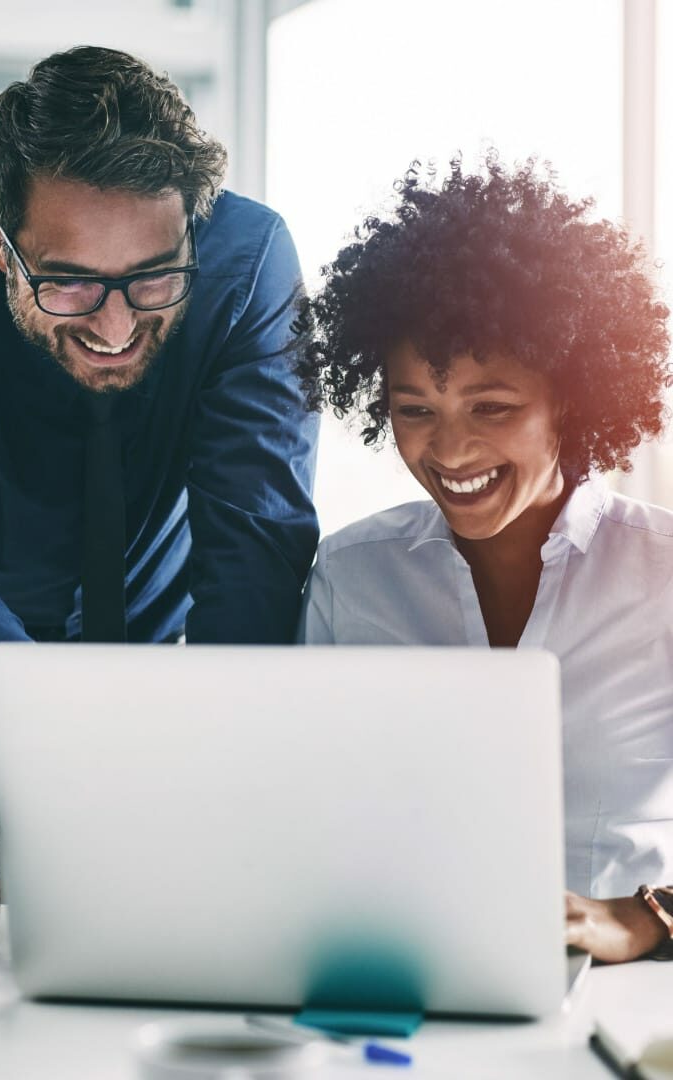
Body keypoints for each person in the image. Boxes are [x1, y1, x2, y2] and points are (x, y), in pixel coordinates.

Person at [0, 45, 320, 808]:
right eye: (68, 282)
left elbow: (256, 531)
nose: (115, 324)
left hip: (176, 669)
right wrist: (65, 726)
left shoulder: (248, 263)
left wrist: (224, 729)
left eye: (152, 276)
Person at [293, 154, 673, 964]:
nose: (450, 447)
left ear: (569, 397)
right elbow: (307, 815)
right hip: (406, 979)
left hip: (622, 997)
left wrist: (637, 921)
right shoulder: (352, 579)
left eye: (491, 407)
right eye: (414, 410)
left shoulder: (664, 575)